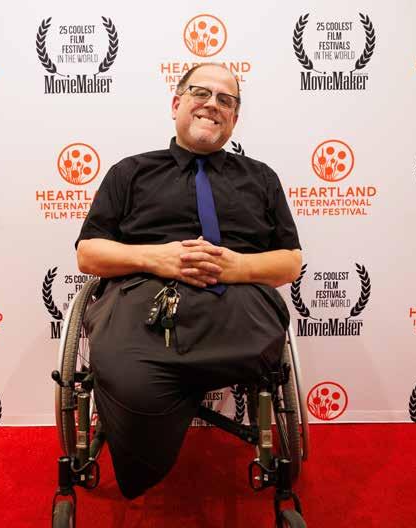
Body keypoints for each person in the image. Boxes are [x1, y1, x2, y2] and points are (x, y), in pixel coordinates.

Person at [75, 63, 302, 499]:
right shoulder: (130, 172)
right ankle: (146, 458)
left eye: (226, 100)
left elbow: (290, 263)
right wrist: (156, 258)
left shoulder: (260, 177)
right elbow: (88, 254)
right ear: (177, 103)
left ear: (234, 118)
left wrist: (236, 267)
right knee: (131, 377)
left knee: (250, 346)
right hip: (143, 301)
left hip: (238, 304)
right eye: (201, 93)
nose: (212, 104)